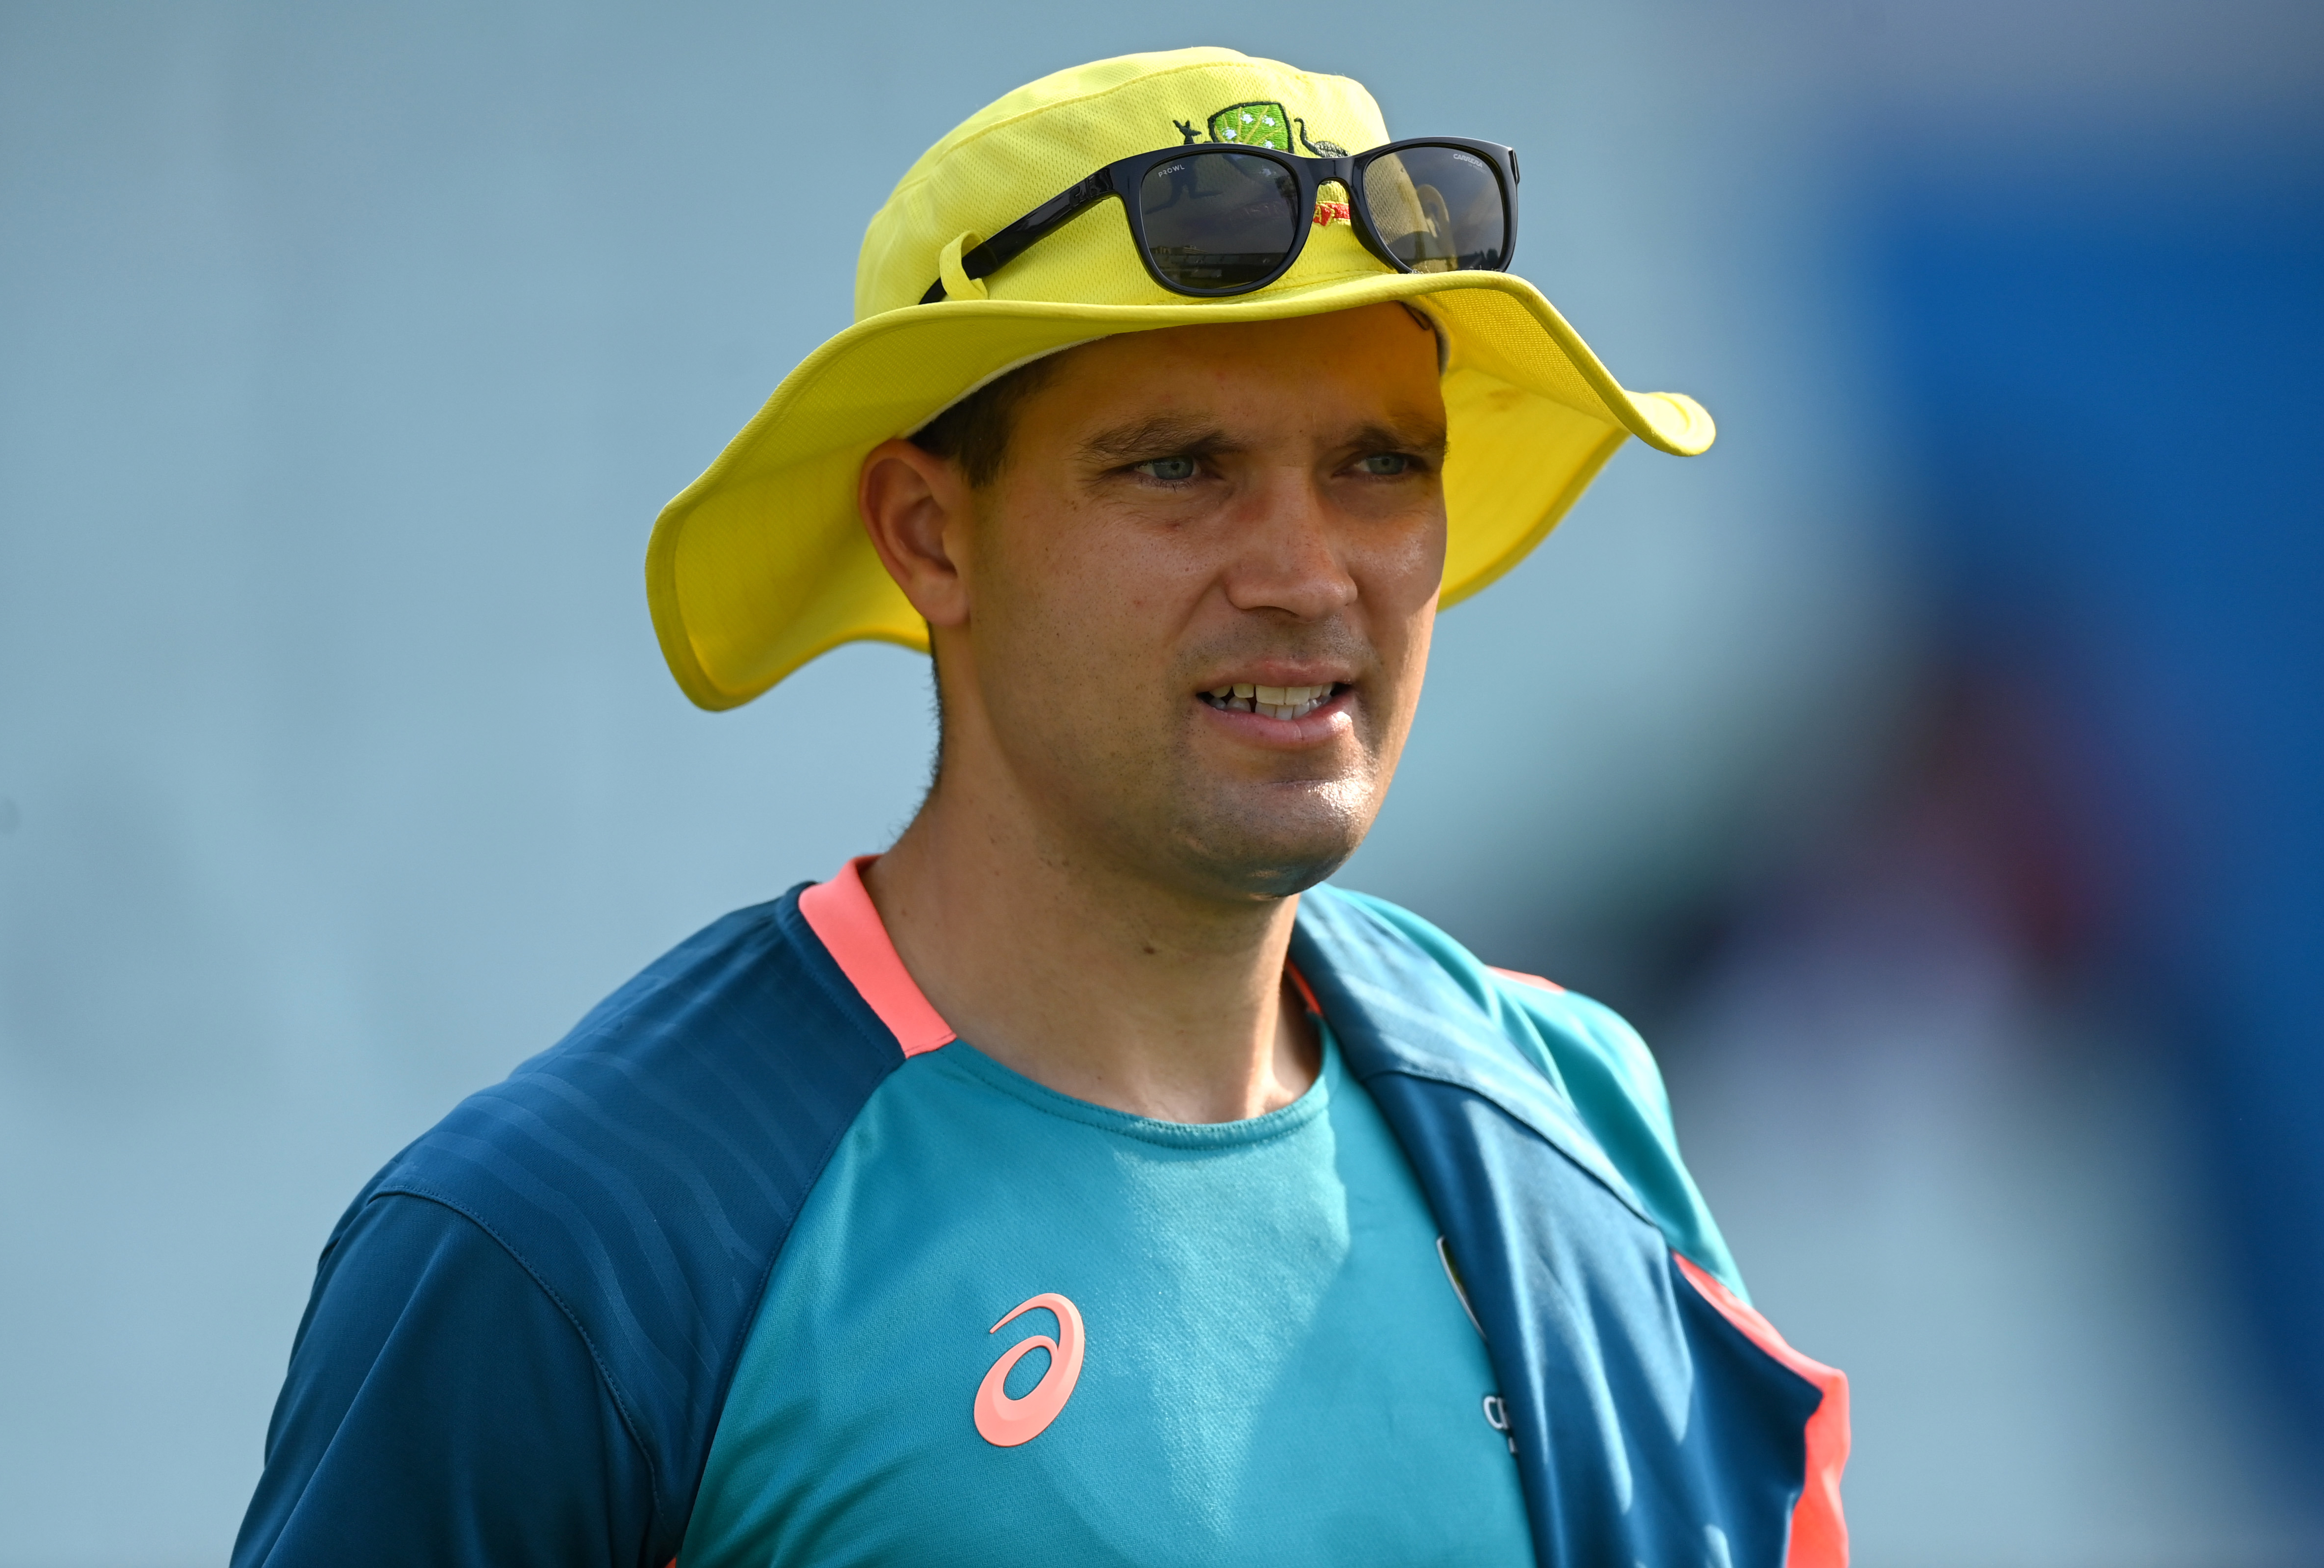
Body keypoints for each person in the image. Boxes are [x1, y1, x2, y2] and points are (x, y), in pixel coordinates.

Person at [233, 46, 1847, 1568]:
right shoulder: (575, 1241)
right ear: (928, 534)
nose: (1308, 574)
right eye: (1180, 467)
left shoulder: (1570, 1116)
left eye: (1378, 463)